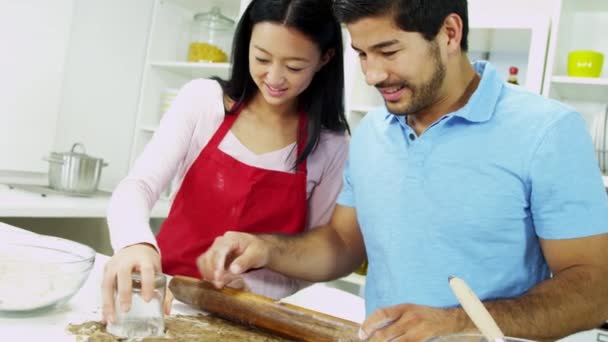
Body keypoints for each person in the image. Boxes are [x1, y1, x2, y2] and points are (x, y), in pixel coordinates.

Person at [197, 0, 608, 341]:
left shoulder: (547, 131)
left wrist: (458, 323)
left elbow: (594, 287)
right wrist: (268, 249)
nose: (373, 75)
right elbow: (342, 243)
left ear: (449, 33)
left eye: (389, 52)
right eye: (361, 54)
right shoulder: (374, 130)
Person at [101, 0, 349, 324]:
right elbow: (138, 186)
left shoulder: (331, 146)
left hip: (248, 317)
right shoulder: (202, 101)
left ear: (324, 59)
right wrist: (135, 243)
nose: (274, 77)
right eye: (261, 58)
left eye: (294, 66)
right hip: (163, 302)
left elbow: (312, 259)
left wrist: (246, 287)